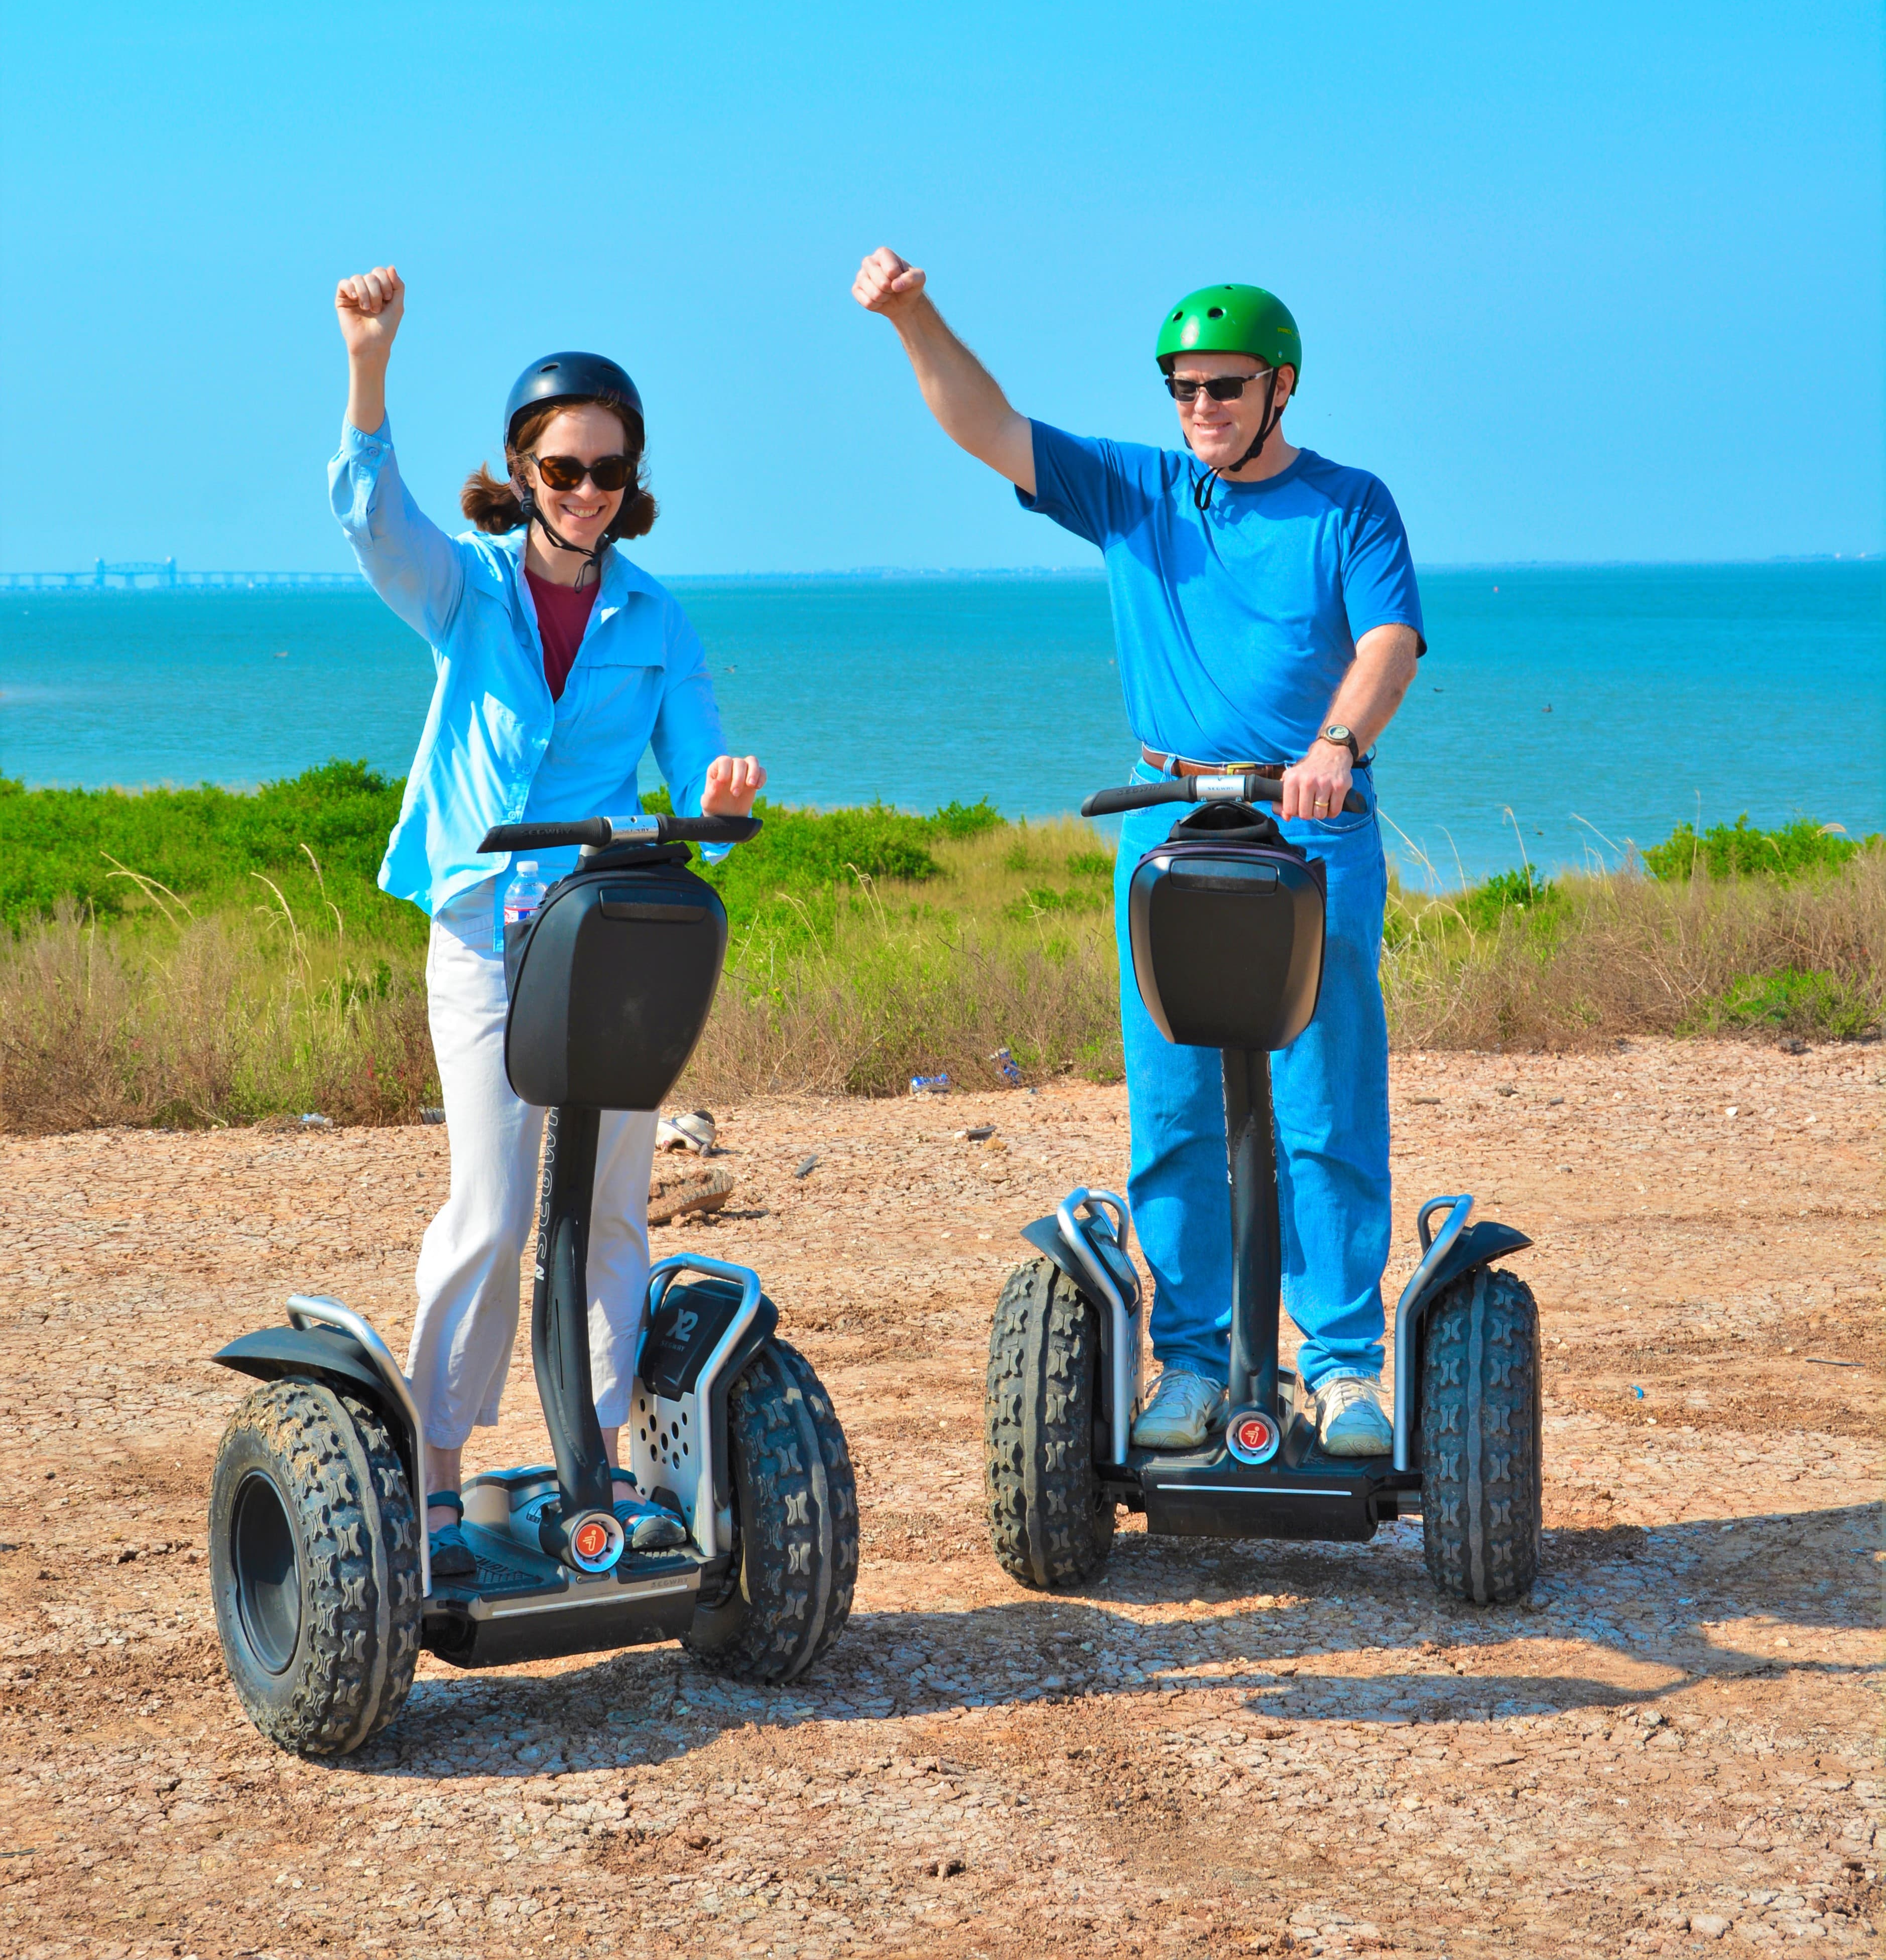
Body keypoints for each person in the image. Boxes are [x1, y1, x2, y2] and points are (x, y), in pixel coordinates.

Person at [852, 251, 1423, 1456]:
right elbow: (987, 425)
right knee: (1175, 1107)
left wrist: (1336, 739)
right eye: (1181, 388)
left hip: (1313, 819)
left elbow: (1387, 644)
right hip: (1169, 821)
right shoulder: (1137, 493)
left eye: (1222, 387)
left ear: (1280, 387)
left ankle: (1343, 1364)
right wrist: (913, 316)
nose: (1200, 408)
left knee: (1323, 1100)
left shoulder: (1349, 504)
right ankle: (1194, 1360)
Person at [329, 264, 766, 1576]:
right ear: (521, 471)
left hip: (605, 927)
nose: (587, 493)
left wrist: (718, 788)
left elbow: (695, 761)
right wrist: (369, 360)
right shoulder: (465, 590)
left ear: (633, 482)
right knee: (496, 1204)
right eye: (563, 469)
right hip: (484, 923)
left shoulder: (656, 616)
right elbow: (370, 518)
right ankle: (438, 1477)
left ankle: (609, 1468)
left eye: (608, 472)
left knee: (616, 1204)